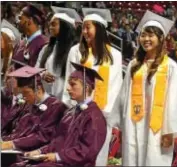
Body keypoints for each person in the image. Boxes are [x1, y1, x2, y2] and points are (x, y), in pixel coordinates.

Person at [107, 10, 177, 166]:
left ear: (161, 38)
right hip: (133, 123)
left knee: (154, 159)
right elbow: (123, 96)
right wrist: (118, 124)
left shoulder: (170, 67)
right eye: (143, 35)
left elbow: (175, 101)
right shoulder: (133, 65)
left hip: (157, 129)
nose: (146, 39)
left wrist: (170, 131)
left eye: (151, 35)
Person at [62, 8, 123, 166]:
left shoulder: (115, 55)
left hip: (101, 117)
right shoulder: (76, 51)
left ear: (100, 28)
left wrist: (108, 116)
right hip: (78, 114)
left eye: (88, 27)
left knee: (98, 158)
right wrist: (69, 110)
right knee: (75, 154)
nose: (84, 31)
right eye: (83, 27)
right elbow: (69, 82)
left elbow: (116, 87)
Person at [19, 63, 107, 167]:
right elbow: (58, 141)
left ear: (86, 87)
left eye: (73, 84)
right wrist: (39, 151)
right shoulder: (71, 112)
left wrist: (56, 156)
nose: (68, 88)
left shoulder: (95, 117)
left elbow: (87, 152)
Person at [1, 65, 67, 148]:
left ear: (38, 89)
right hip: (20, 149)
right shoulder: (29, 106)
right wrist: (4, 140)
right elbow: (19, 132)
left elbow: (43, 137)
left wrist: (12, 144)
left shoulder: (56, 107)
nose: (24, 97)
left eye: (26, 93)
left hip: (37, 153)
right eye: (22, 93)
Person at [35, 6, 79, 100]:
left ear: (64, 27)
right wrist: (43, 74)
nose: (50, 28)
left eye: (54, 24)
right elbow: (37, 67)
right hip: (46, 98)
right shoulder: (46, 48)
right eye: (50, 25)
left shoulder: (74, 50)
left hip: (65, 99)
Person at [12, 4, 48, 69]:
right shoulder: (20, 43)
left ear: (29, 20)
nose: (17, 22)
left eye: (20, 18)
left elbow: (41, 71)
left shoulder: (44, 44)